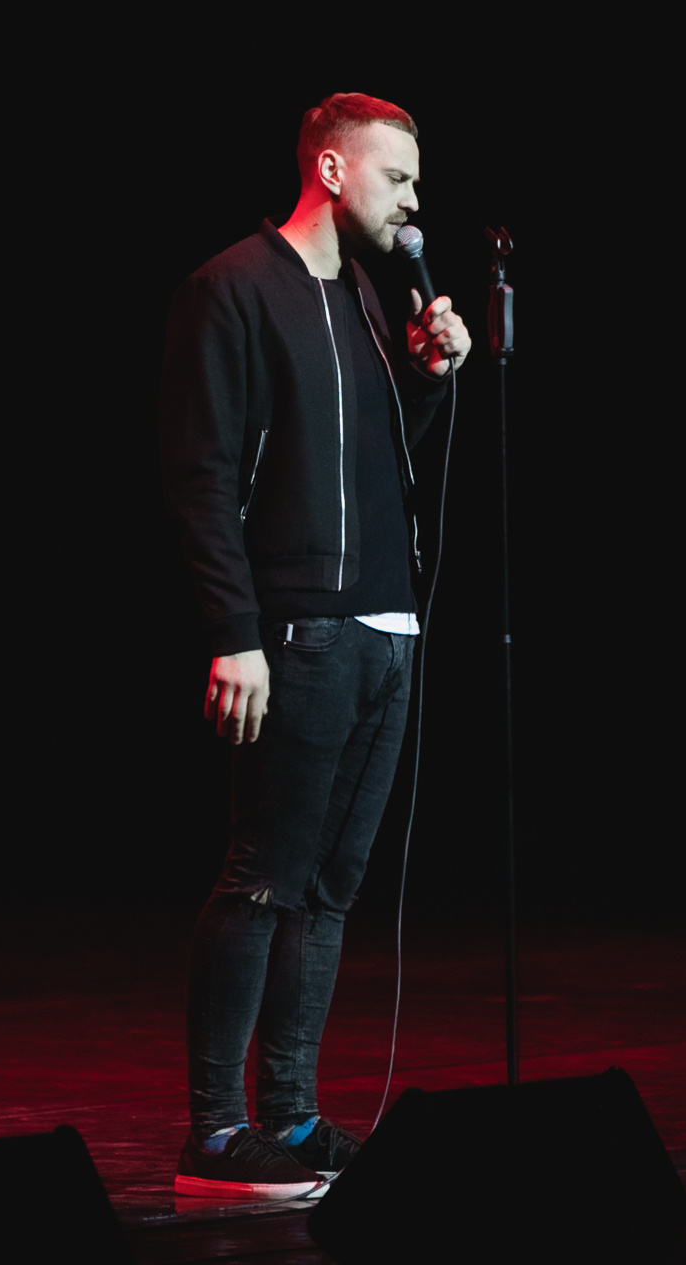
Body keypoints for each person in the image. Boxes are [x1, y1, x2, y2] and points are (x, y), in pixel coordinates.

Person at [157, 92, 471, 1198]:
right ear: (333, 172)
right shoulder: (233, 289)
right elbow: (201, 481)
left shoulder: (376, 308)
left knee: (330, 888)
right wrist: (234, 633)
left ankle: (288, 1120)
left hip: (388, 629)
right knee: (262, 875)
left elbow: (382, 462)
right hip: (297, 632)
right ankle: (214, 1129)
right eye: (399, 179)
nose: (415, 203)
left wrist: (430, 382)